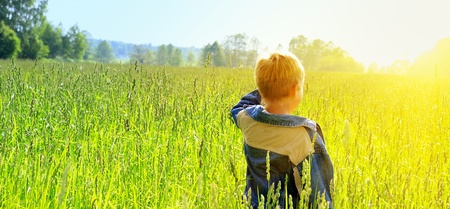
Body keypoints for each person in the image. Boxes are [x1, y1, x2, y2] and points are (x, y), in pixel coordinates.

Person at [230, 51, 334, 208]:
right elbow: (320, 198)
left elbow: (239, 107)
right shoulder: (304, 137)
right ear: (294, 89)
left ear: (260, 88)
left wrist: (267, 86)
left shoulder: (248, 120)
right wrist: (273, 84)